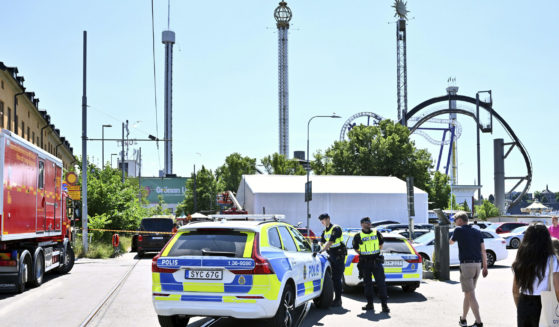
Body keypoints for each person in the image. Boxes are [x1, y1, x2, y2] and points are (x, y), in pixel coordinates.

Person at [512, 223, 559, 326]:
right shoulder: (552, 259)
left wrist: (520, 307)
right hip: (544, 303)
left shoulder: (521, 258)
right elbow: (557, 288)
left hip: (524, 302)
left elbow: (515, 290)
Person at [450, 211, 488, 327]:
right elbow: (483, 251)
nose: (454, 223)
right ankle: (463, 319)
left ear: (460, 220)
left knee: (471, 295)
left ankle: (479, 322)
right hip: (477, 265)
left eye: (455, 221)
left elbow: (450, 242)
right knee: (468, 293)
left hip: (466, 266)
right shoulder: (477, 232)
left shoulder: (458, 230)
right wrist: (485, 267)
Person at [352, 217, 389, 313]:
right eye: (366, 222)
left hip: (376, 261)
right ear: (362, 224)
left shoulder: (376, 233)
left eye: (369, 222)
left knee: (381, 283)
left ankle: (384, 305)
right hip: (365, 263)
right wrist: (365, 254)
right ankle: (370, 304)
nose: (369, 224)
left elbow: (381, 245)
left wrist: (372, 253)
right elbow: (356, 248)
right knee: (367, 285)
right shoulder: (357, 236)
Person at [316, 213, 346, 307]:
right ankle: (334, 298)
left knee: (337, 278)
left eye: (323, 220)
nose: (322, 223)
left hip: (339, 255)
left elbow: (331, 241)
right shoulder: (325, 231)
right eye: (321, 221)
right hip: (331, 255)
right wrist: (318, 246)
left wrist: (322, 250)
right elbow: (321, 241)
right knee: (332, 279)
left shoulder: (336, 228)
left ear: (328, 219)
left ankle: (338, 300)